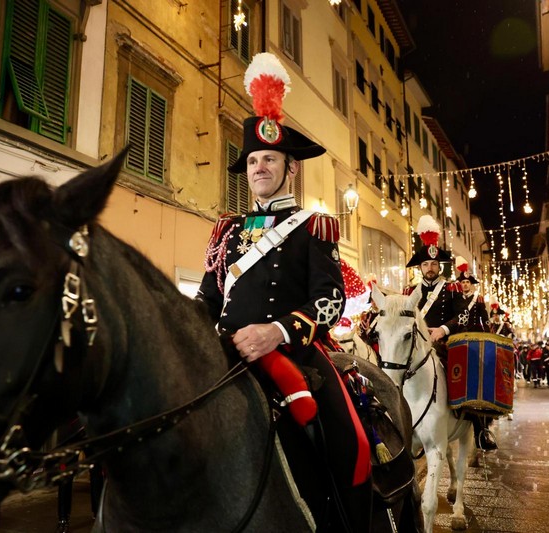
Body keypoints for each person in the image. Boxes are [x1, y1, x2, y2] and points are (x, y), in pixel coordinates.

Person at [195, 52, 371, 532]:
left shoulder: (313, 226)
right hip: (226, 354)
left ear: (290, 168)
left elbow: (329, 301)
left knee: (345, 439)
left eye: (269, 159)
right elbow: (208, 299)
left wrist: (276, 331)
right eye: (253, 160)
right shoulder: (226, 232)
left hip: (294, 354)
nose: (259, 168)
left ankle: (344, 519)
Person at [404, 215, 465, 352]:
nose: (430, 268)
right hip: (416, 347)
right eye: (425, 264)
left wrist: (443, 330)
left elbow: (463, 315)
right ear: (420, 267)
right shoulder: (410, 292)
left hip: (445, 345)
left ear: (439, 267)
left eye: (433, 264)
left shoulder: (452, 288)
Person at [454, 257, 497, 450]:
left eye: (467, 282)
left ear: (471, 285)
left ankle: (481, 431)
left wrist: (486, 340)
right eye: (462, 282)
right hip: (456, 340)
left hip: (474, 341)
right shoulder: (454, 299)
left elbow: (485, 322)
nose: (464, 285)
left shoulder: (477, 300)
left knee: (478, 380)